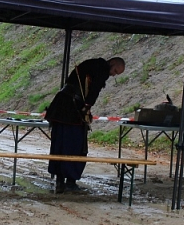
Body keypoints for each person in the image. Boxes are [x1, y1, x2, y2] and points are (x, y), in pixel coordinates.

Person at [44, 57, 126, 193]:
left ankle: (60, 181)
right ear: (112, 64)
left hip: (60, 105)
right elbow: (94, 89)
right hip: (72, 109)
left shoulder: (91, 64)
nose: (113, 75)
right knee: (76, 146)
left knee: (60, 144)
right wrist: (87, 107)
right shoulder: (102, 69)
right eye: (115, 71)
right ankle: (69, 182)